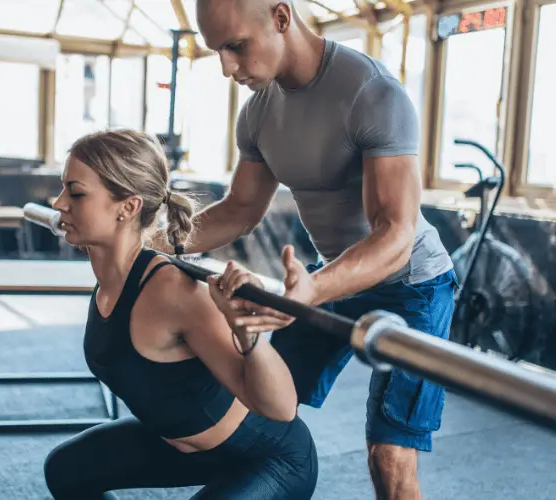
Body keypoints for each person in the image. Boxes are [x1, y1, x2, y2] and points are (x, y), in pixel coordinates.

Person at [148, 1, 458, 499]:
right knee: (252, 402)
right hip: (329, 278)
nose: (227, 67)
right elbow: (240, 209)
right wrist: (149, 245)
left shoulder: (372, 93)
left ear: (281, 17)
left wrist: (314, 288)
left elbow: (395, 235)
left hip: (412, 285)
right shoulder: (257, 113)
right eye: (217, 51)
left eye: (235, 46)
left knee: (391, 456)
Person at [43, 128, 319, 499]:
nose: (59, 203)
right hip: (185, 451)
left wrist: (247, 336)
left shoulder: (175, 292)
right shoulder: (110, 277)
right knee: (66, 470)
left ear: (128, 207)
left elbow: (281, 408)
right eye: (63, 189)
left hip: (269, 457)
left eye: (76, 193)